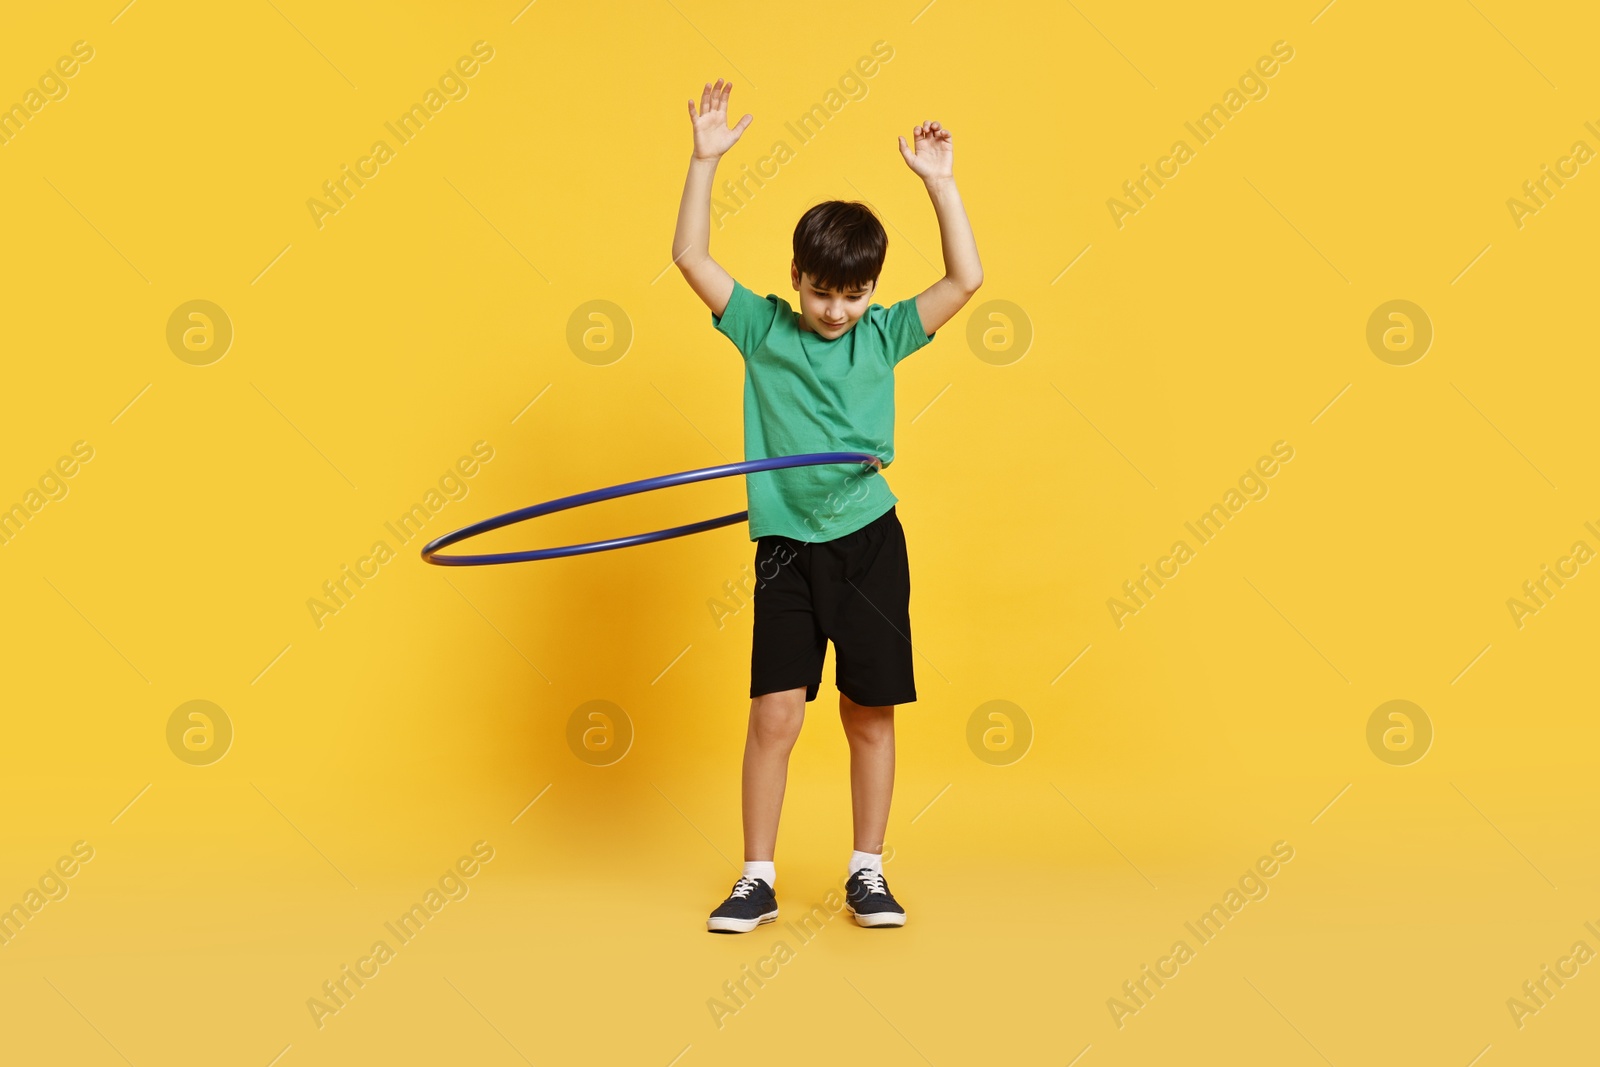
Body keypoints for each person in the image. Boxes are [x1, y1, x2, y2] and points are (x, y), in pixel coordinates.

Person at [671, 78, 982, 932]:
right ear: (797, 278)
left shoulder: (885, 333)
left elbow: (967, 278)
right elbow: (691, 260)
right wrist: (704, 163)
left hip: (870, 541)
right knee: (775, 713)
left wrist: (940, 184)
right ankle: (757, 876)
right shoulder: (763, 329)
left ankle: (868, 870)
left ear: (871, 291)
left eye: (852, 297)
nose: (835, 313)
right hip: (784, 549)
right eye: (820, 294)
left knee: (866, 712)